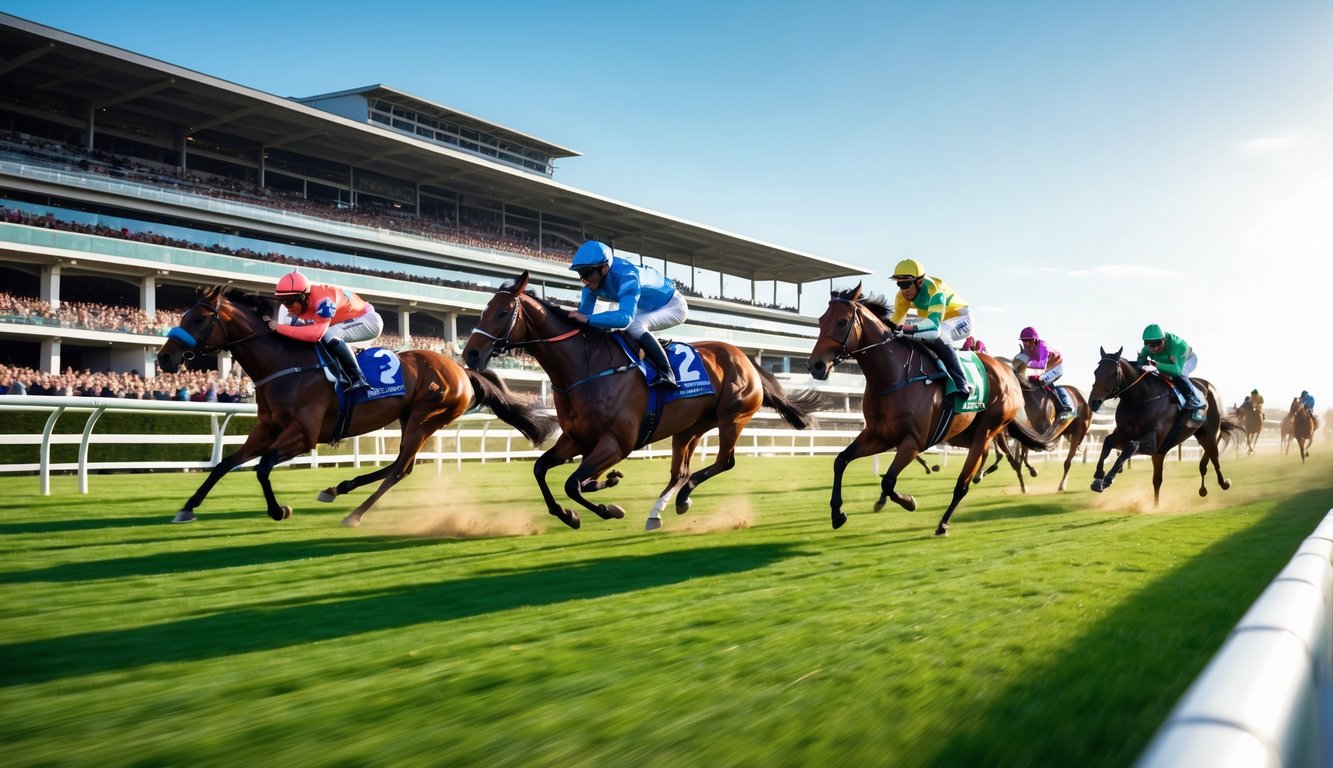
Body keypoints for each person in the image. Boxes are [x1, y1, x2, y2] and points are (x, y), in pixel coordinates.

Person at [568, 240, 688, 389]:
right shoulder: (592, 283)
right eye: (581, 275)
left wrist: (587, 319)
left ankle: (667, 372)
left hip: (672, 305)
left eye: (588, 275)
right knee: (613, 325)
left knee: (634, 324)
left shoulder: (627, 276)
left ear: (604, 269)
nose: (585, 281)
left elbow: (625, 319)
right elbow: (583, 317)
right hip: (645, 306)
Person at [269, 270, 384, 393]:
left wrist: (278, 328)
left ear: (302, 296)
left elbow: (315, 335)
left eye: (289, 301)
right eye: (282, 301)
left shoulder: (324, 300)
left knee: (329, 333)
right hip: (347, 321)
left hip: (369, 320)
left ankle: (357, 377)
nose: (286, 306)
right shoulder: (305, 303)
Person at [888, 258, 973, 400]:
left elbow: (934, 330)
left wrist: (904, 329)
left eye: (906, 284)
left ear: (919, 281)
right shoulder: (901, 297)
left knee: (937, 338)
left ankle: (961, 384)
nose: (903, 289)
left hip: (960, 319)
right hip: (938, 320)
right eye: (899, 284)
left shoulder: (936, 290)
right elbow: (893, 325)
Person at [1136, 324, 1204, 422]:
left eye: (1158, 344)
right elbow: (1139, 366)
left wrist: (1154, 365)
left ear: (1164, 340)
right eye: (1151, 346)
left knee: (1180, 376)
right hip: (1169, 363)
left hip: (1187, 360)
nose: (1155, 348)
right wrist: (1142, 365)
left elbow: (1176, 371)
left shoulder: (1177, 345)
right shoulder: (1146, 349)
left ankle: (1194, 402)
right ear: (1146, 344)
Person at [1011, 327, 1074, 414]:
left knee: (1042, 380)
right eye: (1024, 341)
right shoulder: (1027, 348)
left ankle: (1063, 405)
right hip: (1045, 367)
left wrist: (1024, 367)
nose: (1026, 343)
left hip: (1056, 367)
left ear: (1035, 340)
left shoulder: (1043, 347)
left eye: (1028, 341)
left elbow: (1040, 365)